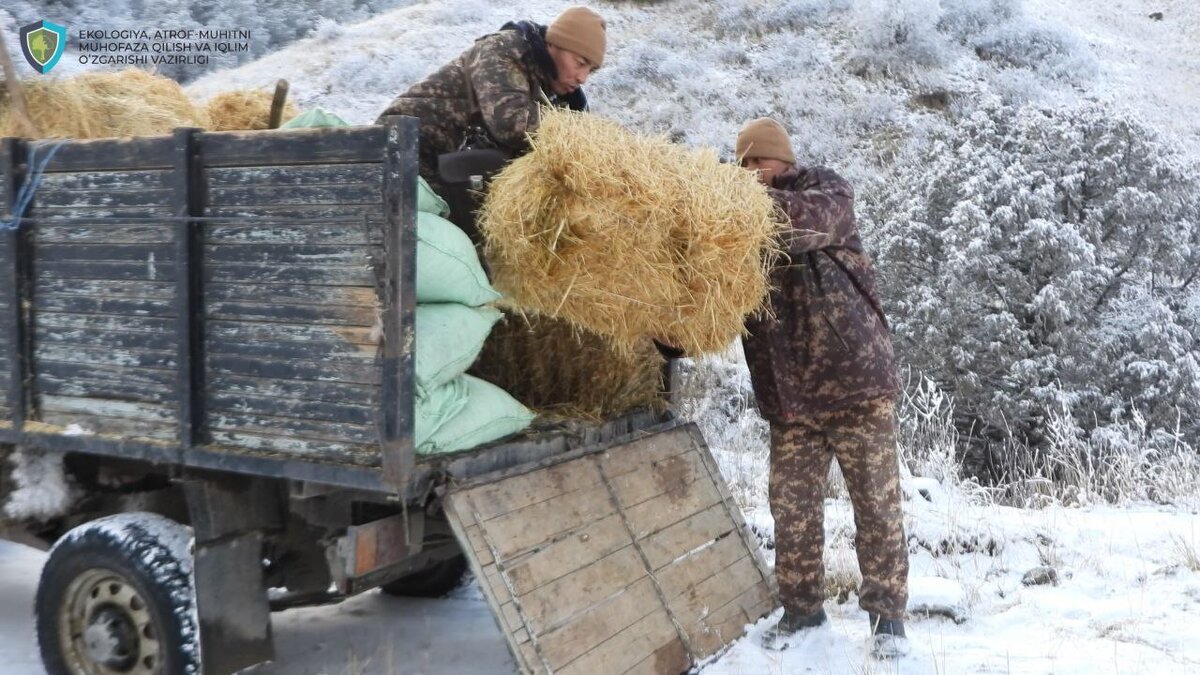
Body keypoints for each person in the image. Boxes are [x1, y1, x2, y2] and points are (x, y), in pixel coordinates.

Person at [735, 117, 910, 657]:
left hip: (853, 384)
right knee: (790, 506)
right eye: (741, 167)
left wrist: (725, 202)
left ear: (780, 160)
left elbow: (799, 225)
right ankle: (802, 613)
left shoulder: (825, 190)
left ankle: (888, 624)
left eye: (756, 164)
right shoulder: (737, 224)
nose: (749, 175)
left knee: (876, 507)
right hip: (789, 398)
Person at [375, 6, 606, 240]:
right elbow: (510, 123)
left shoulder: (560, 96)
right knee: (456, 244)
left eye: (591, 70)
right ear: (553, 44)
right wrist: (580, 132)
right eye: (580, 63)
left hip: (449, 166)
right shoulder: (504, 50)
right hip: (402, 148)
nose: (582, 78)